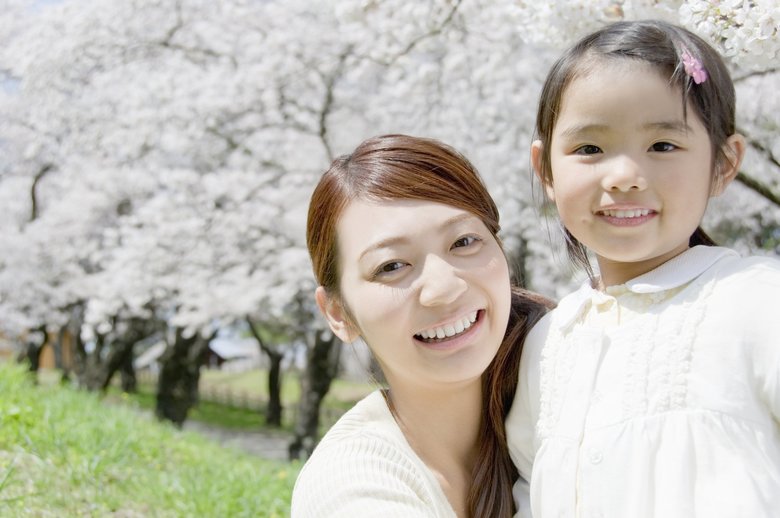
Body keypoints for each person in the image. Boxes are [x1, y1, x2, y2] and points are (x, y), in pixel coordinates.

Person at [506, 19, 780, 518]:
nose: (626, 176)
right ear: (545, 169)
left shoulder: (759, 303)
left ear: (724, 163)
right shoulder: (547, 344)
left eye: (663, 146)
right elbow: (531, 489)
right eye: (589, 148)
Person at [292, 134, 551, 517]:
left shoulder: (570, 390)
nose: (443, 288)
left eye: (464, 241)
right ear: (337, 313)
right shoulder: (352, 486)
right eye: (392, 266)